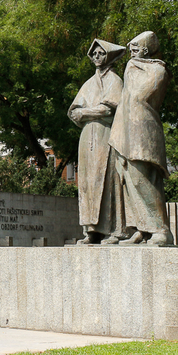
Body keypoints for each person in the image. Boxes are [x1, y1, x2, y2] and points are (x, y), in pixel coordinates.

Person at [108, 31, 174, 247]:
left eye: (136, 46)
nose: (132, 49)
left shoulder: (158, 70)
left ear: (146, 48)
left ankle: (160, 230)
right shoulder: (131, 68)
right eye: (131, 46)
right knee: (127, 179)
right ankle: (140, 229)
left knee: (142, 178)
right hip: (125, 128)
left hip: (143, 129)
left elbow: (142, 96)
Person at [68, 39, 127, 244]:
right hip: (86, 137)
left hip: (106, 135)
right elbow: (74, 113)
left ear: (108, 55)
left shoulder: (115, 80)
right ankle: (91, 230)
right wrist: (88, 113)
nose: (96, 57)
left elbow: (109, 109)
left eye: (100, 53)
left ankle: (113, 230)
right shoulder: (88, 84)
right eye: (93, 54)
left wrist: (86, 112)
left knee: (109, 179)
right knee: (87, 182)